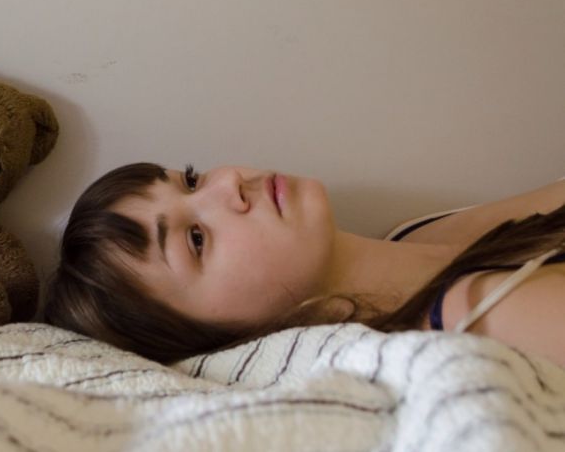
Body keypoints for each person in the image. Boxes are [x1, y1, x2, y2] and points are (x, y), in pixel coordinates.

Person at [43, 163, 565, 366]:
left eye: (192, 180)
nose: (229, 185)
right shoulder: (484, 314)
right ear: (228, 340)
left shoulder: (414, 234)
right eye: (197, 239)